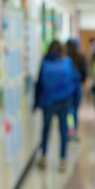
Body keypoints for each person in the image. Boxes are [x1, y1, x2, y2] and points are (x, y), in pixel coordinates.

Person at [33, 40, 78, 172]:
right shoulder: (67, 62)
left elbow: (39, 84)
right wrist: (74, 102)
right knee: (63, 130)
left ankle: (43, 157)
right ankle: (62, 160)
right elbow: (74, 82)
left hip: (48, 102)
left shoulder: (44, 62)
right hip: (64, 102)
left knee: (46, 129)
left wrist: (36, 103)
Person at [66, 38, 88, 139]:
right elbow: (84, 74)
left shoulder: (64, 58)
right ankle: (74, 131)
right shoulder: (81, 57)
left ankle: (68, 130)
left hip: (66, 88)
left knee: (68, 111)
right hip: (77, 88)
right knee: (74, 110)